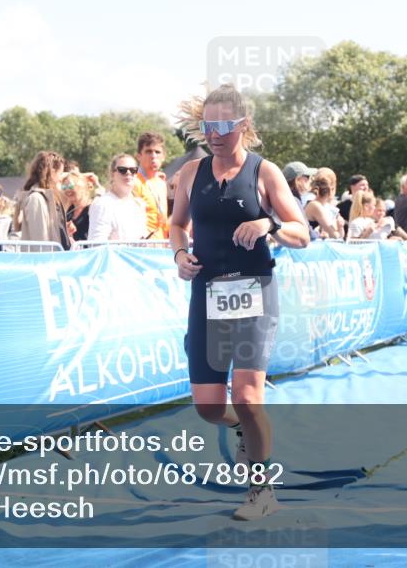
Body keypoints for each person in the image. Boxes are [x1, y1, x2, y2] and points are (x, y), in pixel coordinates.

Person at [170, 84, 309, 521]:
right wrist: (178, 254)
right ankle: (240, 428)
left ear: (243, 126)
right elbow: (176, 225)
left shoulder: (264, 172)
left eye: (223, 126)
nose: (214, 134)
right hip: (207, 295)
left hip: (254, 291)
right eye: (207, 126)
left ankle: (261, 491)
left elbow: (301, 232)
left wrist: (267, 224)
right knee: (209, 406)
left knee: (249, 396)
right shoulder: (192, 173)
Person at [15, 151, 70, 249]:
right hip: (46, 261)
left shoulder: (48, 198)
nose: (61, 178)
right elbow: (40, 241)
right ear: (52, 171)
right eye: (60, 173)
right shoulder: (36, 199)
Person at [87, 153, 148, 241]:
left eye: (133, 170)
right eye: (122, 170)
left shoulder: (139, 205)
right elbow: (96, 245)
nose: (128, 173)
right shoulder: (102, 205)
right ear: (112, 174)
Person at [132, 131, 170, 240]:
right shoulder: (134, 182)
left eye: (157, 152)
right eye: (148, 151)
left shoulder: (161, 183)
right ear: (139, 156)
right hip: (142, 245)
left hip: (161, 244)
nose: (153, 156)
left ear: (163, 156)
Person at [282, 161, 319, 240]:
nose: (310, 179)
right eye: (307, 176)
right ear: (297, 179)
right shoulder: (293, 200)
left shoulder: (282, 197)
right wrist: (318, 234)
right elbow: (308, 232)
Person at [63, 170, 97, 245]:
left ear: (83, 187)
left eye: (71, 186)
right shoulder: (69, 210)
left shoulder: (93, 207)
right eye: (64, 187)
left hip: (89, 253)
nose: (67, 190)